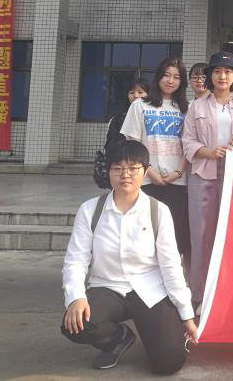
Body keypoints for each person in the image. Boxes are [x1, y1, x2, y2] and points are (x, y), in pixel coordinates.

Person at [61, 140, 197, 374]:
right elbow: (75, 260)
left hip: (150, 290)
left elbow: (171, 266)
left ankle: (159, 335)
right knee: (76, 324)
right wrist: (75, 297)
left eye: (133, 168)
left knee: (169, 363)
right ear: (108, 172)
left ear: (145, 171)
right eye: (117, 168)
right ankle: (118, 338)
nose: (125, 174)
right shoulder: (90, 210)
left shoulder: (158, 211)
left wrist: (187, 315)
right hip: (107, 287)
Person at [182, 51, 233, 311]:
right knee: (201, 236)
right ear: (210, 76)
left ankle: (230, 294)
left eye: (227, 72)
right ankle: (200, 296)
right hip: (203, 175)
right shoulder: (197, 106)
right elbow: (187, 141)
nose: (222, 76)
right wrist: (208, 152)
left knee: (232, 236)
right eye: (217, 71)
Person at [120, 59, 190, 268]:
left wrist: (178, 172)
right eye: (166, 75)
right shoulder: (140, 105)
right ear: (158, 76)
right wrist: (149, 171)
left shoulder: (187, 109)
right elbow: (133, 143)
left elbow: (189, 145)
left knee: (174, 234)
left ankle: (171, 279)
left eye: (176, 77)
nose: (170, 81)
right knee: (144, 233)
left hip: (177, 182)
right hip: (146, 180)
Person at [104, 78, 149, 154]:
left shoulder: (154, 116)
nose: (135, 96)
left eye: (140, 92)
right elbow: (111, 144)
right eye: (131, 92)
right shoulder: (117, 119)